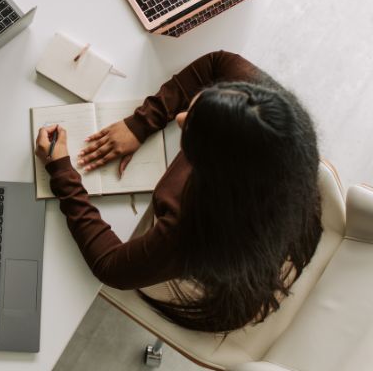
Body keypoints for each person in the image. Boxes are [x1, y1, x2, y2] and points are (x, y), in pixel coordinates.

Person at [34, 51, 322, 332]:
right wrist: (142, 122)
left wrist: (61, 172)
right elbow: (216, 63)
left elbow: (110, 266)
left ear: (213, 172)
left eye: (191, 126)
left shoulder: (194, 229)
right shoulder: (265, 111)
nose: (181, 117)